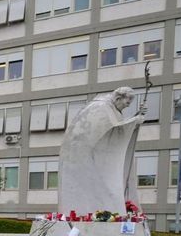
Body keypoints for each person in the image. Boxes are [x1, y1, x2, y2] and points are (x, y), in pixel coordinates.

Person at [56, 86, 146, 215]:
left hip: (95, 161)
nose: (126, 107)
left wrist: (135, 119)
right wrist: (134, 121)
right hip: (85, 162)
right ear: (118, 98)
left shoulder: (112, 109)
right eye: (126, 103)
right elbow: (110, 133)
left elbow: (116, 130)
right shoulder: (100, 108)